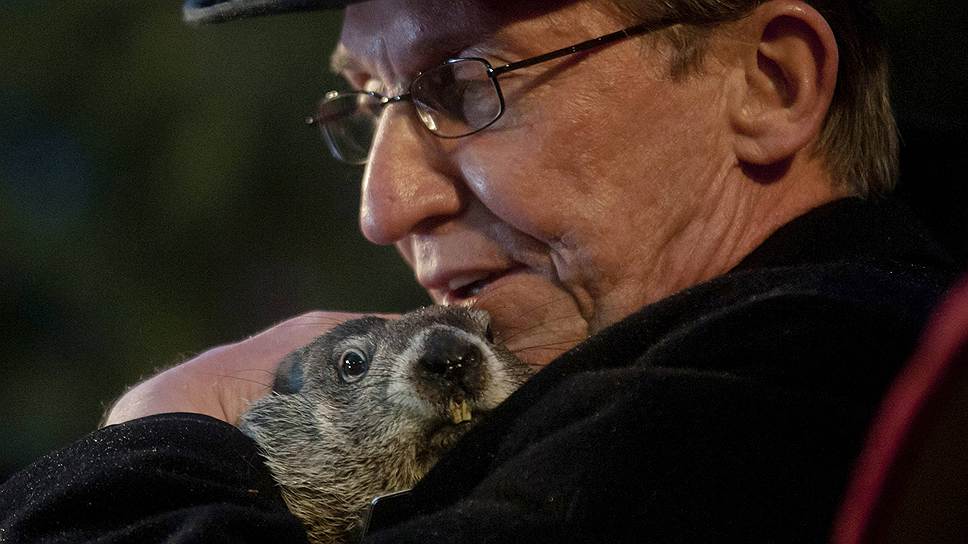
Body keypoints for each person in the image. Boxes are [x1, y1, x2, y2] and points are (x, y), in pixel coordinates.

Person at [0, 0, 956, 542]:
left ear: (769, 83)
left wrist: (169, 429)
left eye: (465, 83)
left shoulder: (794, 376)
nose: (383, 209)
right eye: (371, 104)